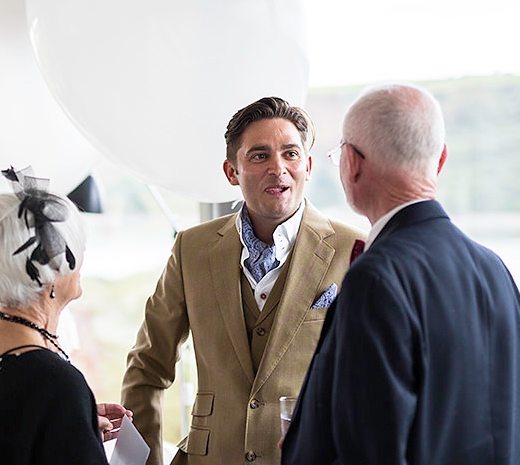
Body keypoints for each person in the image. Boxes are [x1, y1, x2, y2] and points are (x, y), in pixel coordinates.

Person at [281, 83, 520, 464]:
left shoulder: (376, 278)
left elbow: (368, 452)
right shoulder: (493, 269)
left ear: (352, 164)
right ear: (441, 159)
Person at [122, 97, 366, 465]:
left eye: (290, 154)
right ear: (231, 172)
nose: (278, 168)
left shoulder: (355, 248)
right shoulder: (192, 249)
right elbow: (147, 369)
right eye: (259, 156)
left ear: (309, 165)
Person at [0, 167, 129, 465]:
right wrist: (72, 421)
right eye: (77, 252)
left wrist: (77, 426)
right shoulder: (57, 382)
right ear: (48, 276)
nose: (82, 262)